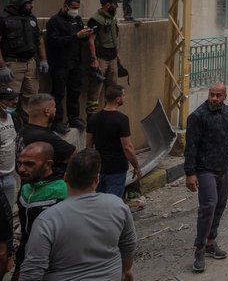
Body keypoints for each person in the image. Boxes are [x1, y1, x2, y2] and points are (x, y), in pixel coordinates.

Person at [19, 148, 136, 280]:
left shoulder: (47, 220)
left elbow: (32, 270)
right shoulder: (118, 206)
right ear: (97, 179)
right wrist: (127, 271)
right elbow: (128, 243)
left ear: (65, 177)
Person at [184, 83, 228, 274]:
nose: (214, 98)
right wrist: (190, 173)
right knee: (209, 206)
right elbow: (190, 147)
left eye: (218, 95)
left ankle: (211, 242)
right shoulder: (198, 117)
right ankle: (199, 249)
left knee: (220, 205)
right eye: (211, 95)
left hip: (223, 168)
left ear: (224, 96)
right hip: (205, 169)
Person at [15, 142, 66, 274]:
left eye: (29, 164)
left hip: (54, 264)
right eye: (19, 163)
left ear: (48, 164)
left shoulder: (63, 191)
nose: (21, 169)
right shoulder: (26, 187)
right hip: (27, 256)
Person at [44, 0, 93, 134]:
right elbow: (54, 41)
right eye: (73, 8)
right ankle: (57, 121)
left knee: (74, 91)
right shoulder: (54, 21)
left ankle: (73, 118)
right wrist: (75, 36)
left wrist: (85, 36)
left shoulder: (77, 20)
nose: (75, 11)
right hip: (60, 63)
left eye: (77, 8)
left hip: (76, 62)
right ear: (65, 6)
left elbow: (78, 40)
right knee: (58, 93)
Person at [86, 85, 141, 198]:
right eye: (123, 96)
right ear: (118, 99)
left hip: (99, 168)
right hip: (116, 169)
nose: (124, 98)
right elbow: (127, 147)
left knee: (98, 200)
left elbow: (88, 146)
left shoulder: (93, 118)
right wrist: (136, 166)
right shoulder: (122, 119)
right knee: (112, 202)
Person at [0, 0, 48, 117]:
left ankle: (28, 130)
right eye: (29, 3)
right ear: (19, 3)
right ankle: (9, 130)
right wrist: (2, 66)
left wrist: (43, 60)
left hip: (30, 63)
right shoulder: (3, 18)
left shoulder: (31, 17)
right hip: (12, 63)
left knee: (31, 97)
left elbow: (39, 39)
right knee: (10, 99)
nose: (32, 6)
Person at [20, 94, 75, 180]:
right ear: (47, 111)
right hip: (48, 187)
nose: (55, 110)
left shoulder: (22, 132)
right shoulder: (46, 137)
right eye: (54, 107)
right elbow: (74, 155)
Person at [87, 0, 121, 116]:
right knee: (96, 86)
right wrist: (94, 59)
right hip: (101, 57)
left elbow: (115, 37)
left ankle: (110, 111)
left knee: (112, 86)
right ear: (107, 5)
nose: (117, 6)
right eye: (114, 4)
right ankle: (91, 113)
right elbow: (91, 40)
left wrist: (117, 54)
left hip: (112, 57)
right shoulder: (95, 20)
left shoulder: (112, 18)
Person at [0, 87, 19, 213]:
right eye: (10, 99)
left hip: (9, 176)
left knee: (8, 213)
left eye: (15, 98)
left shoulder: (14, 117)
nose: (14, 102)